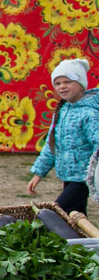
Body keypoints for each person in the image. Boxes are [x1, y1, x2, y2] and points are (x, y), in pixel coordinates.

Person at [28, 58, 99, 214]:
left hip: (83, 178)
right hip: (68, 176)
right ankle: (81, 238)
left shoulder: (89, 114)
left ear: (81, 85)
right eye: (58, 83)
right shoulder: (61, 112)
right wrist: (39, 173)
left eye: (67, 81)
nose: (62, 86)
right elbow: (51, 146)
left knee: (55, 212)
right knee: (75, 216)